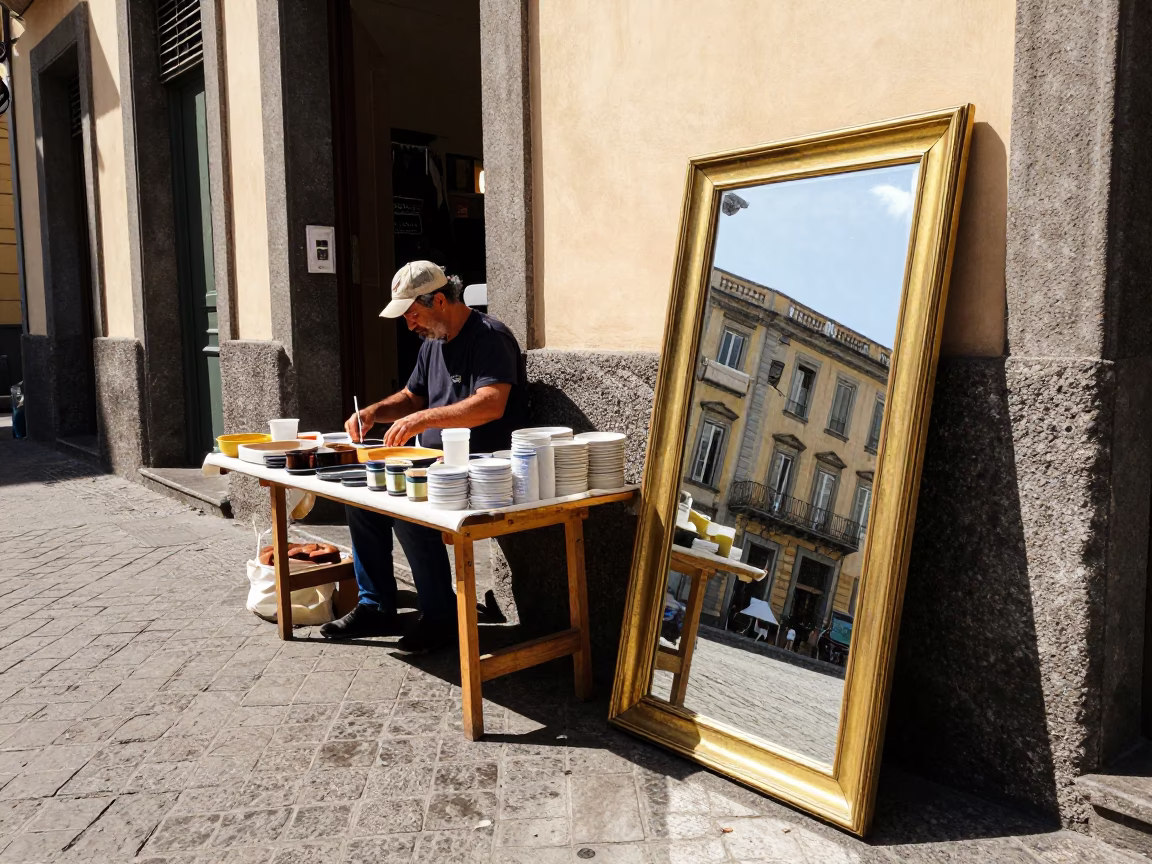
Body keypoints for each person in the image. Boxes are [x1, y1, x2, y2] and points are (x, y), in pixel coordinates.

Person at [319, 261, 526, 652]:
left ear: (441, 301)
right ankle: (376, 604)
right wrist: (376, 412)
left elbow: (491, 404)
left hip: (479, 466)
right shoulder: (433, 341)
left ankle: (441, 616)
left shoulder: (489, 336)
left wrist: (422, 418)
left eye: (413, 314)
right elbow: (413, 396)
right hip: (433, 459)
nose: (410, 325)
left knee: (407, 504)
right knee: (361, 496)